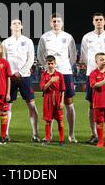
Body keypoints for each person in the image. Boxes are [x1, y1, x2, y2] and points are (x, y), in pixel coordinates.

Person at [81, 13, 105, 144]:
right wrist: (93, 67)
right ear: (93, 22)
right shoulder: (87, 37)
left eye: (101, 20)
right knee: (92, 105)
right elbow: (84, 55)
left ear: (104, 22)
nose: (98, 22)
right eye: (96, 20)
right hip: (91, 74)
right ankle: (94, 135)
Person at [37, 13, 77, 143]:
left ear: (62, 23)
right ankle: (49, 135)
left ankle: (71, 134)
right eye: (54, 21)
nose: (56, 23)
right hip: (50, 73)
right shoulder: (45, 37)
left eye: (58, 21)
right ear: (50, 23)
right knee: (51, 103)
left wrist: (65, 67)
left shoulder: (68, 37)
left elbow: (73, 55)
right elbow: (40, 54)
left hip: (65, 72)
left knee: (68, 102)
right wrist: (49, 69)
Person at [3, 19, 39, 142]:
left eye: (18, 23)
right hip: (10, 77)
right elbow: (4, 60)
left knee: (31, 105)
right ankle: (5, 133)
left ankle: (35, 134)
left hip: (25, 77)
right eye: (14, 23)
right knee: (7, 105)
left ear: (22, 26)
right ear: (10, 26)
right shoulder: (5, 42)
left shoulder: (28, 41)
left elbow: (30, 59)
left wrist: (21, 72)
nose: (16, 25)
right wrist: (10, 74)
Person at [40, 55, 66, 146]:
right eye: (48, 63)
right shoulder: (43, 75)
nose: (50, 65)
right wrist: (51, 81)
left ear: (55, 64)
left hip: (58, 97)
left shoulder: (59, 75)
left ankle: (61, 139)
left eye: (52, 63)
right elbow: (43, 88)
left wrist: (62, 101)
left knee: (60, 120)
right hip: (48, 98)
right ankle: (47, 138)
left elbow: (62, 90)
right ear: (46, 64)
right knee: (48, 120)